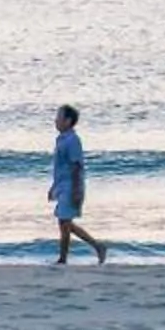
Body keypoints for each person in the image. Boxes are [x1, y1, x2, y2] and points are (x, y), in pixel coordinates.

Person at [49, 104, 107, 266]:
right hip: (63, 185)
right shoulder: (62, 139)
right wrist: (54, 187)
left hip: (71, 186)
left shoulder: (73, 140)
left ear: (68, 121)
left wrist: (76, 191)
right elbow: (60, 167)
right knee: (64, 223)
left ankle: (65, 258)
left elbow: (76, 166)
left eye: (59, 118)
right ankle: (95, 247)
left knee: (64, 222)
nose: (56, 121)